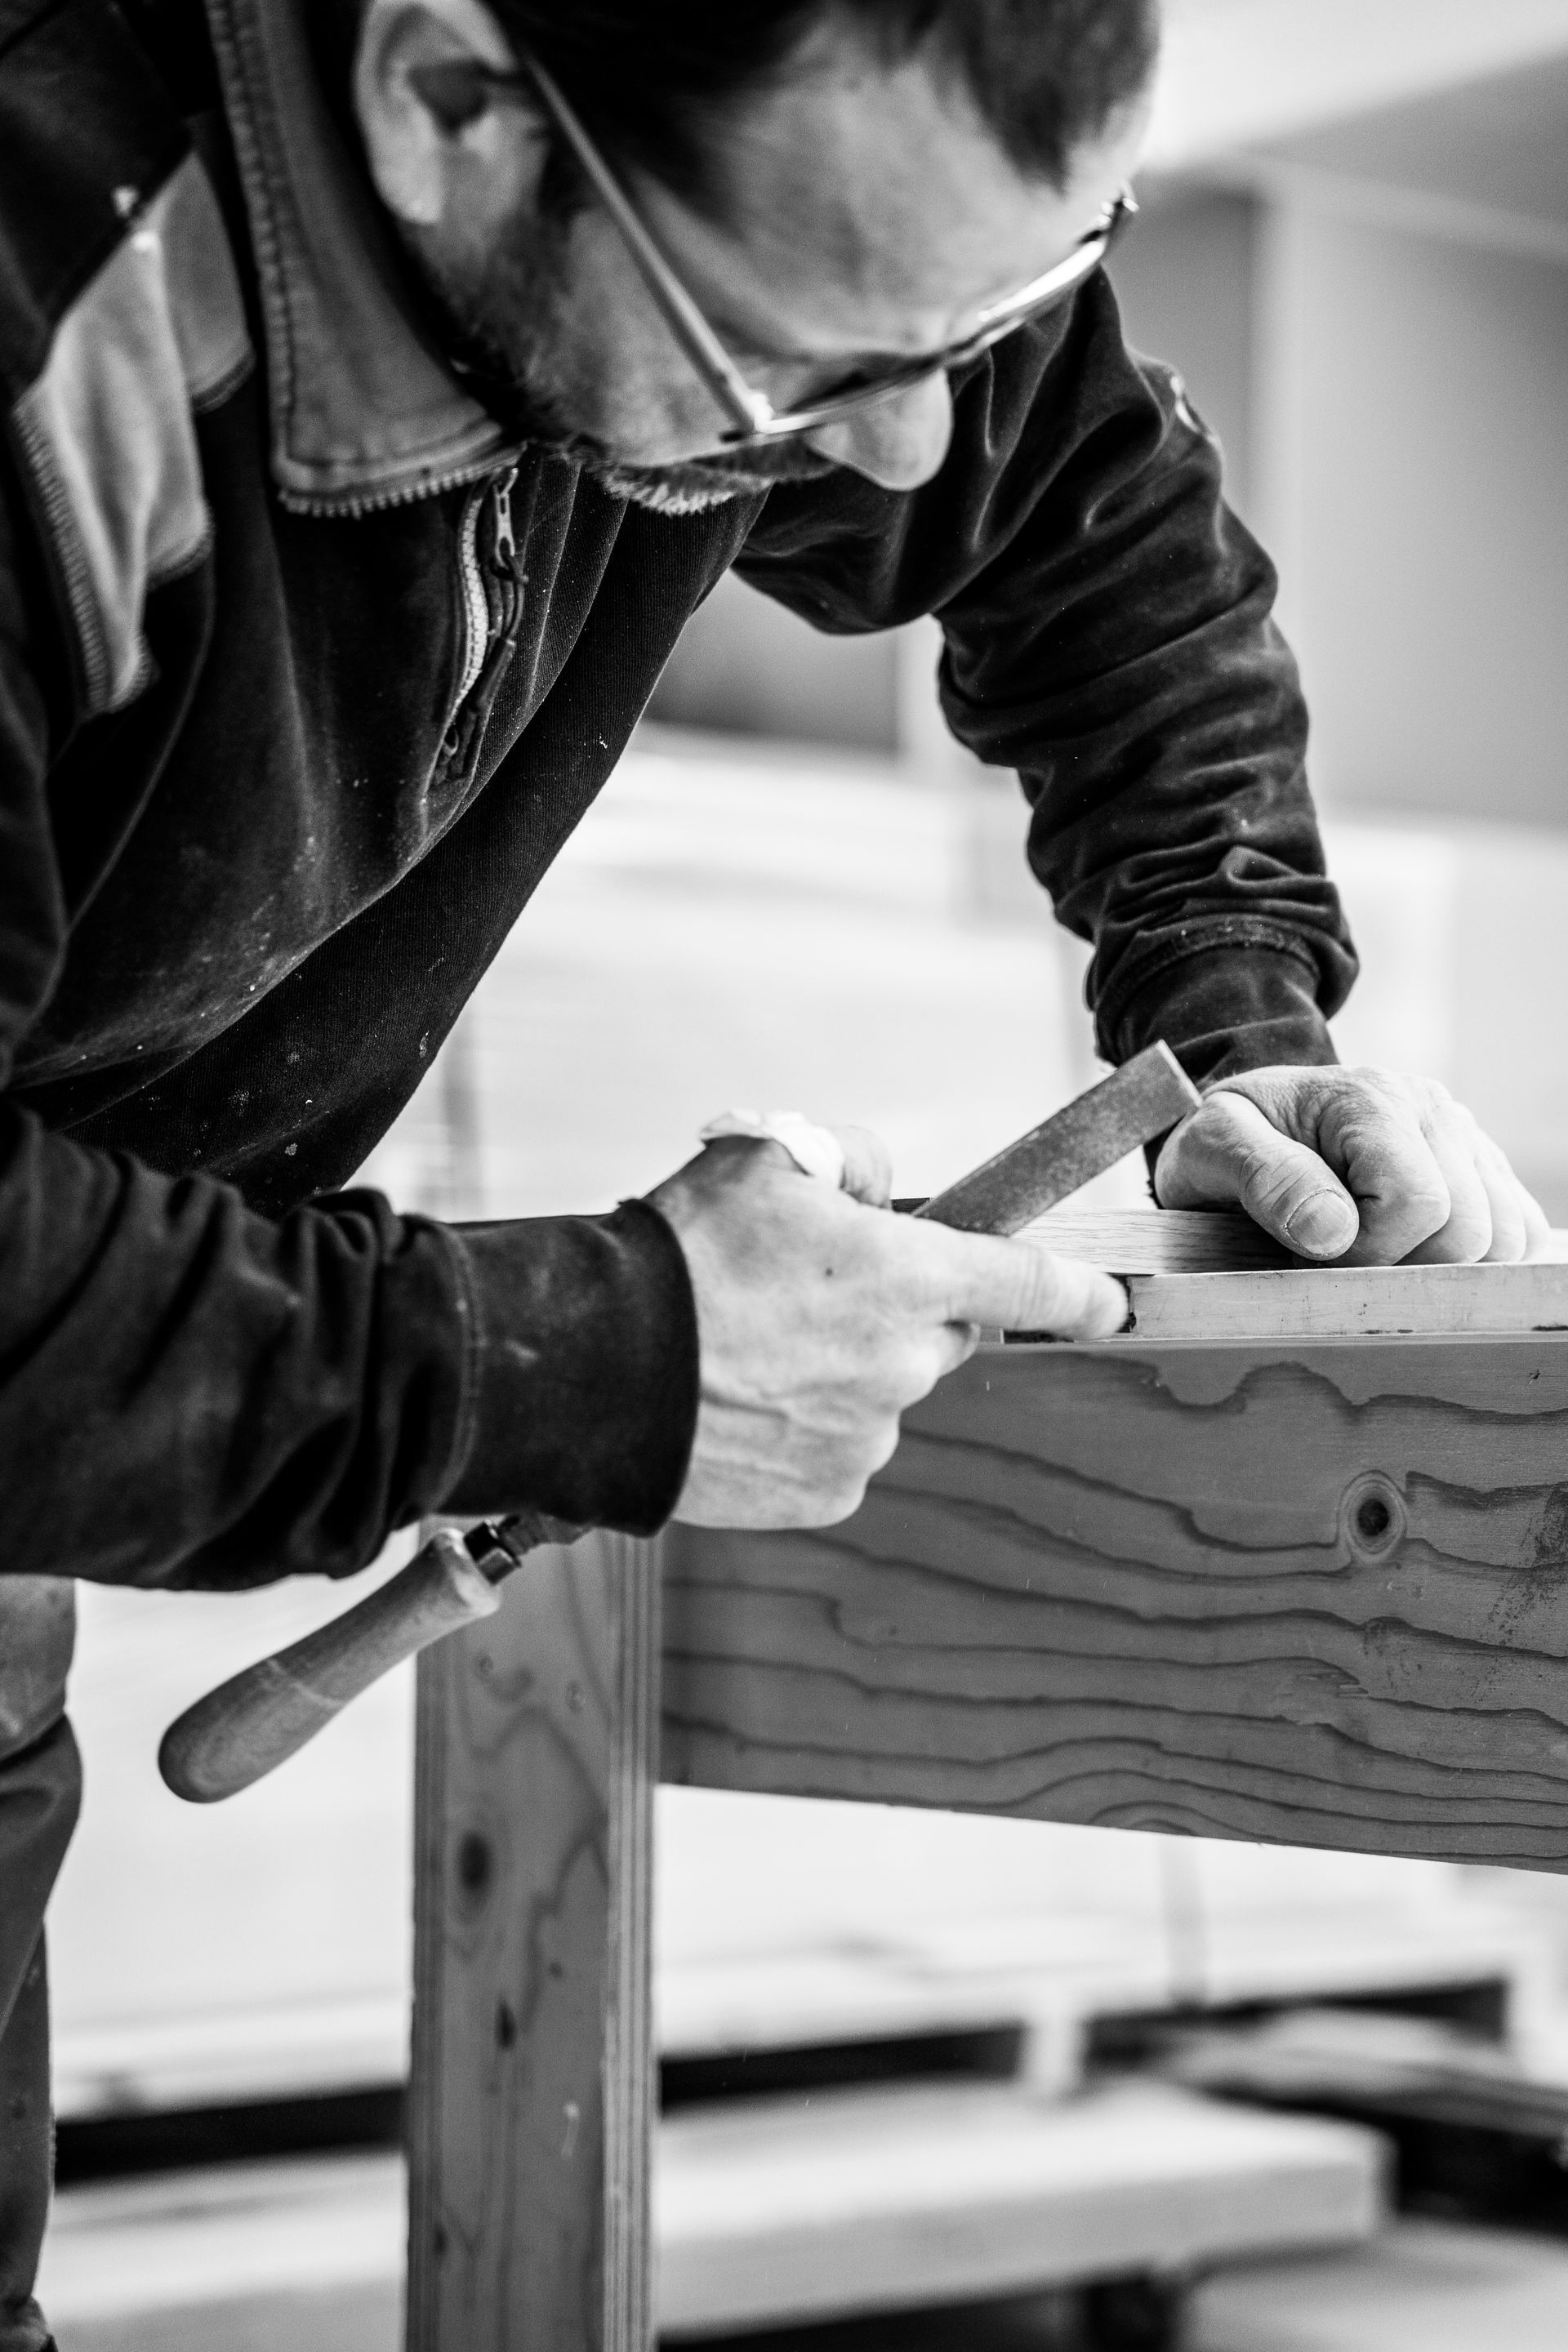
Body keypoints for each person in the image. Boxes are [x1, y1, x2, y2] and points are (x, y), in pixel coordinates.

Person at [0, 0, 1546, 2341]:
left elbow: (1079, 522)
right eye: (810, 364)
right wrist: (597, 1364)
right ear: (447, 103)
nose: (906, 443)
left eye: (988, 318)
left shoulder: (801, 218)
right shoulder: (51, 316)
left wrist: (1237, 1021)